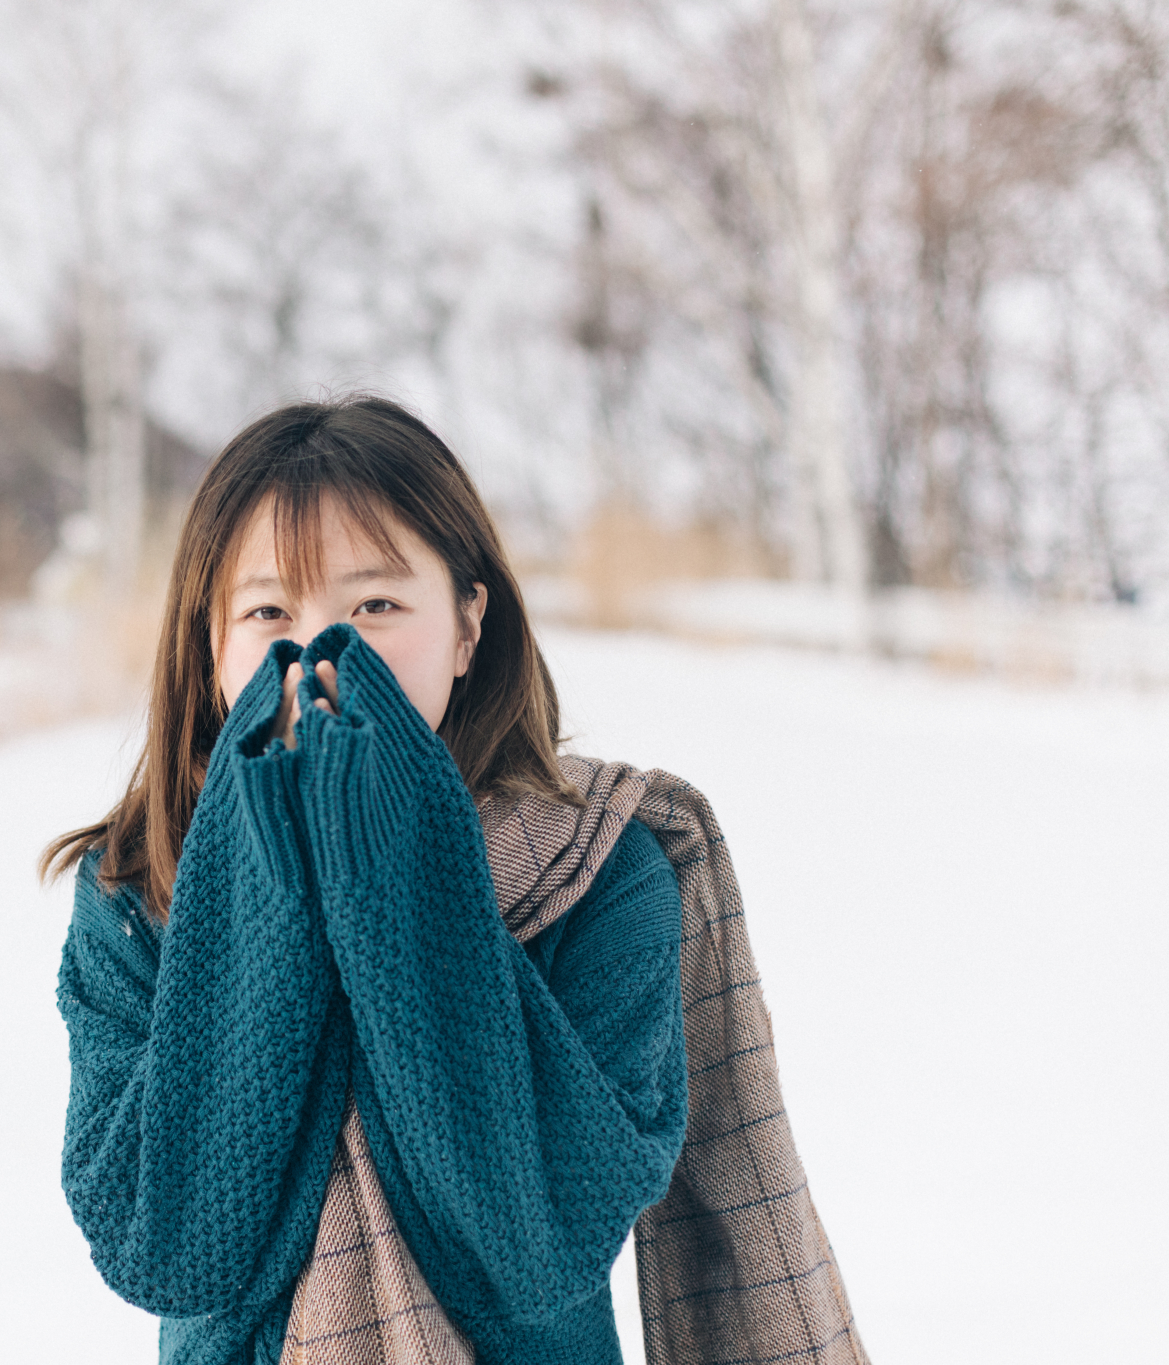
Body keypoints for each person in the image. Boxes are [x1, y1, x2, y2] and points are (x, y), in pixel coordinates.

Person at [46, 397, 866, 1365]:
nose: (320, 656)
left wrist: (394, 872)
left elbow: (529, 1247)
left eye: (375, 608)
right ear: (208, 646)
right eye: (267, 612)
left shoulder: (598, 875)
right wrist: (264, 887)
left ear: (468, 625)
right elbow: (170, 1250)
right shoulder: (138, 896)